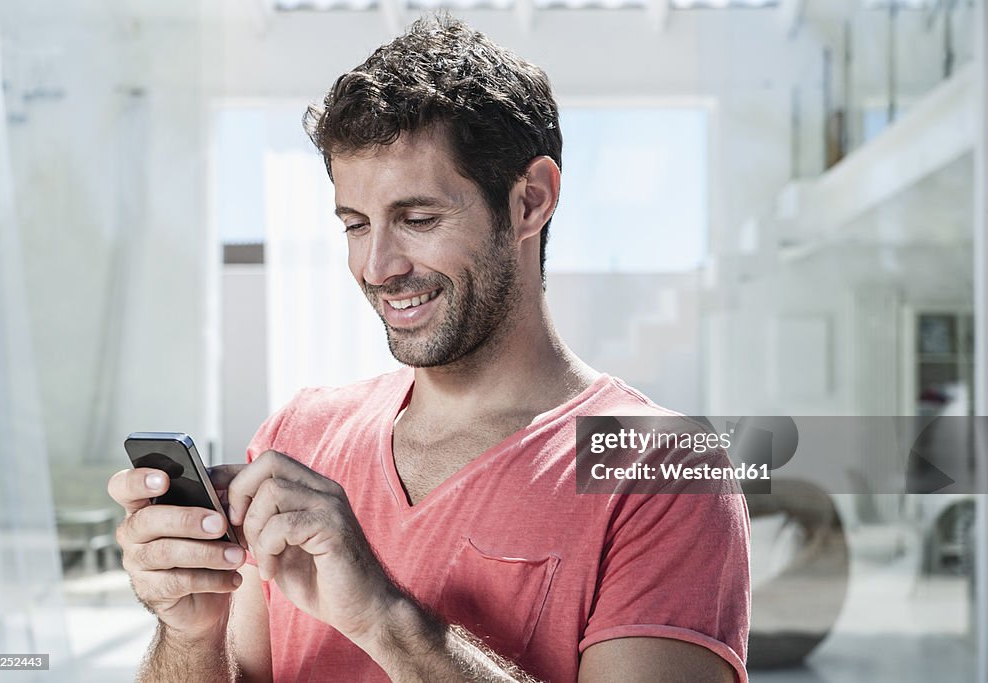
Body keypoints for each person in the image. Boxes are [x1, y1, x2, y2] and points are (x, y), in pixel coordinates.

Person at [109, 14, 750, 682]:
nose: (379, 265)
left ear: (531, 201)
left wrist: (383, 618)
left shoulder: (662, 473)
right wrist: (190, 631)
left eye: (418, 219)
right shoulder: (295, 437)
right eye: (356, 225)